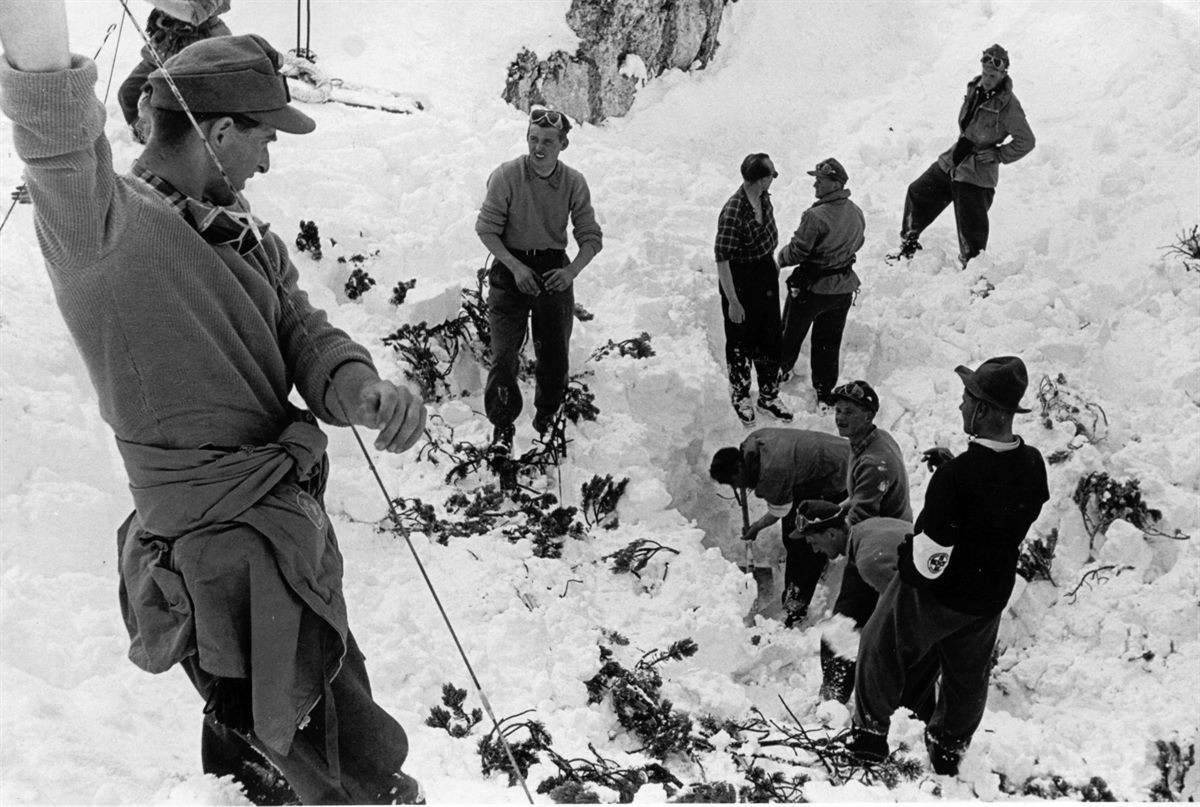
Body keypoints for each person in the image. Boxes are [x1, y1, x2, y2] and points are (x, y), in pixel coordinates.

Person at [0, 7, 427, 803]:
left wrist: (360, 388)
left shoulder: (247, 237)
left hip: (284, 545)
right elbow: (52, 127)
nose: (268, 159)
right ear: (221, 131)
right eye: (266, 137)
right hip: (219, 557)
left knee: (269, 757)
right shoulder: (107, 231)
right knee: (355, 773)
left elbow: (307, 334)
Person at [849, 357, 1049, 776]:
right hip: (989, 594)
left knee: (879, 645)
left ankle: (867, 742)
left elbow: (930, 561)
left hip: (941, 592)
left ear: (982, 410)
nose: (960, 407)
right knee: (966, 677)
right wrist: (956, 476)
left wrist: (908, 560)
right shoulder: (1032, 465)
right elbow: (997, 504)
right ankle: (947, 750)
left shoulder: (956, 479)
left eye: (965, 400)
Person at [475, 107, 603, 455]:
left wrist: (570, 272)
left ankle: (548, 420)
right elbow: (486, 229)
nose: (538, 147)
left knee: (554, 353)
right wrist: (516, 268)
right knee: (504, 354)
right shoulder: (506, 176)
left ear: (563, 144)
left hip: (552, 271)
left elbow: (591, 236)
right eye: (533, 139)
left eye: (548, 141)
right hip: (509, 267)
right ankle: (502, 426)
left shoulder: (573, 182)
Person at [888, 44, 1035, 270]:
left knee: (971, 227)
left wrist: (999, 154)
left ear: (1004, 74)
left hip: (978, 171)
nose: (987, 79)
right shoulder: (975, 86)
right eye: (985, 73)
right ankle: (908, 243)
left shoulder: (1009, 106)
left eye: (993, 75)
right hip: (957, 156)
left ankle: (974, 273)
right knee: (918, 192)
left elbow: (1027, 141)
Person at [791, 503, 933, 711]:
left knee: (896, 656)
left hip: (935, 597)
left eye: (814, 542)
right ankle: (832, 701)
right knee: (841, 629)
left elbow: (903, 610)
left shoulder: (869, 560)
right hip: (913, 575)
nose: (814, 549)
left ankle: (909, 721)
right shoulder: (862, 533)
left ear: (831, 534)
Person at [708, 428, 848, 627]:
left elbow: (781, 510)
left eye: (733, 482)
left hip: (839, 472)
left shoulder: (773, 472)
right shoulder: (753, 443)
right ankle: (816, 564)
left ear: (739, 467)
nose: (735, 487)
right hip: (831, 456)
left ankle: (796, 604)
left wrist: (757, 526)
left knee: (802, 539)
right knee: (794, 529)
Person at [776, 158, 865, 406]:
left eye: (820, 180)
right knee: (828, 343)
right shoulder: (856, 212)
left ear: (835, 184)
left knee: (789, 335)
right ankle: (825, 393)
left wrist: (779, 258)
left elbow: (797, 252)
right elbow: (859, 243)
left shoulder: (815, 216)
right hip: (842, 290)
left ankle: (777, 375)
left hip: (812, 290)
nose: (815, 184)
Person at [714, 153, 793, 426]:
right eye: (771, 175)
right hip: (740, 278)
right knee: (740, 340)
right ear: (761, 180)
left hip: (764, 274)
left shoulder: (764, 200)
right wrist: (733, 301)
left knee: (770, 337)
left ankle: (769, 395)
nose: (774, 179)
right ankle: (741, 395)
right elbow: (722, 259)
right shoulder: (734, 211)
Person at [117, 0, 232, 142]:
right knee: (127, 93)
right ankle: (144, 135)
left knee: (179, 110)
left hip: (198, 51)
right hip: (165, 45)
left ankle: (176, 146)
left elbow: (194, 14)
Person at [829, 380, 912, 529]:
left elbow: (860, 522)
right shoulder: (876, 437)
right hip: (891, 530)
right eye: (838, 411)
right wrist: (835, 511)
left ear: (868, 416)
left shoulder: (874, 463)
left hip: (887, 540)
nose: (840, 418)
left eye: (849, 412)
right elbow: (859, 498)